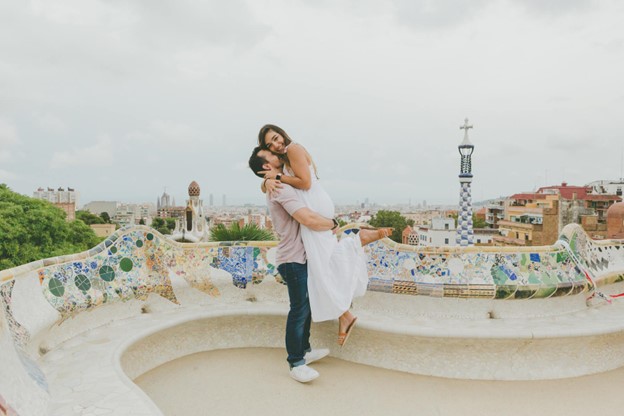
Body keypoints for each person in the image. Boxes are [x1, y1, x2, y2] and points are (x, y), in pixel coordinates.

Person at [253, 127, 391, 346]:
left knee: (322, 266)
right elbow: (272, 179)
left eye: (276, 139)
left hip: (314, 208)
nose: (275, 145)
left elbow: (305, 183)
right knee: (321, 267)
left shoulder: (294, 148)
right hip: (316, 207)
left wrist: (276, 176)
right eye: (270, 145)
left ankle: (356, 242)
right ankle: (344, 313)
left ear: (283, 134)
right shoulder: (285, 159)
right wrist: (266, 181)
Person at [248, 147, 334, 383]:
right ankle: (295, 362)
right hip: (292, 259)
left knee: (306, 307)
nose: (277, 155)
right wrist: (333, 223)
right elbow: (307, 218)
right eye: (271, 155)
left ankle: (304, 351)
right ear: (267, 167)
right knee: (299, 309)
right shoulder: (281, 189)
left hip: (298, 257)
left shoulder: (277, 183)